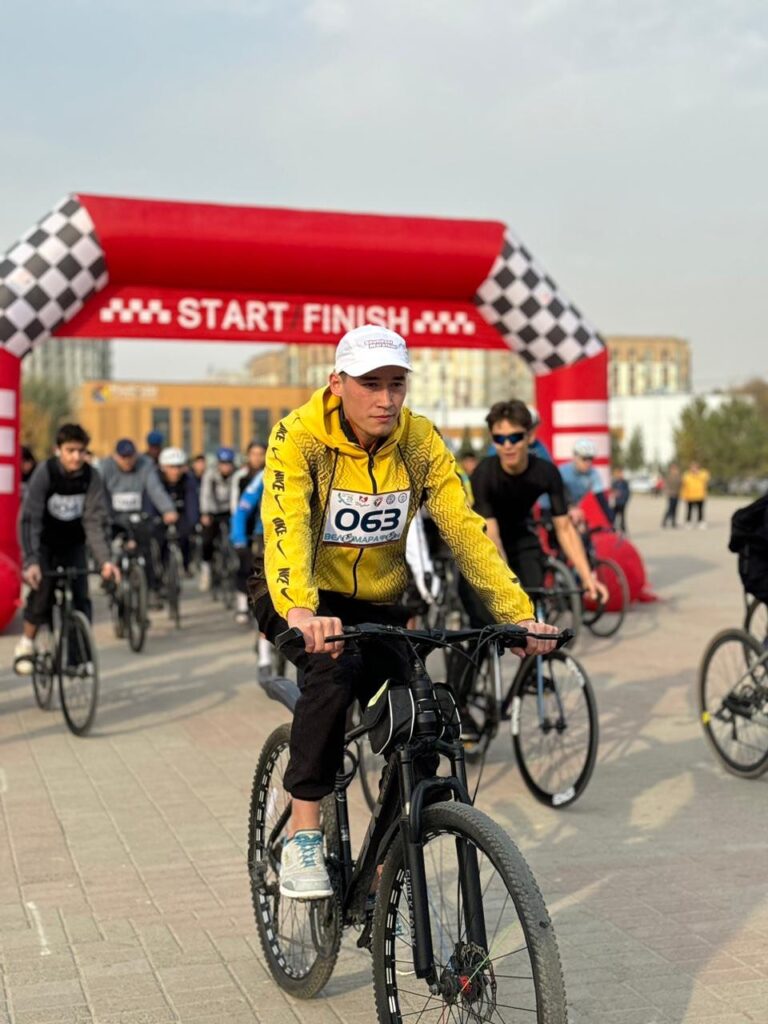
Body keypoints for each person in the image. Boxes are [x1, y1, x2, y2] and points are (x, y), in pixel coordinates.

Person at [250, 323, 558, 899]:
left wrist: (516, 614)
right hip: (297, 591)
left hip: (379, 598)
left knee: (424, 715)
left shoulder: (419, 441)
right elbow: (287, 527)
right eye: (371, 384)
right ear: (337, 383)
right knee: (332, 673)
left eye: (397, 383)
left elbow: (464, 531)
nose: (386, 398)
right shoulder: (299, 436)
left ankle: (386, 863)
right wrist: (300, 610)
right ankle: (303, 835)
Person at [14, 424, 119, 674]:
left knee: (81, 597)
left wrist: (105, 561)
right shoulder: (45, 472)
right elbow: (30, 519)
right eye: (70, 450)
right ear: (58, 450)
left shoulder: (91, 477)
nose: (76, 457)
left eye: (81, 451)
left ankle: (78, 658)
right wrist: (31, 561)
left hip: (73, 543)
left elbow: (94, 521)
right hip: (45, 544)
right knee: (42, 592)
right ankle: (26, 643)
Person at [100, 439, 178, 605]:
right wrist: (104, 516)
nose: (127, 461)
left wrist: (167, 509)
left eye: (130, 457)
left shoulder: (145, 465)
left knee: (147, 550)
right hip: (113, 516)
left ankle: (150, 589)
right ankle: (111, 581)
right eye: (123, 457)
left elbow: (155, 489)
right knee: (112, 548)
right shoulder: (105, 468)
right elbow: (99, 494)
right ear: (116, 457)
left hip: (138, 515)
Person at [230, 441, 267, 624]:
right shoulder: (260, 476)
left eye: (261, 454)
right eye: (254, 454)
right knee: (250, 568)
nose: (257, 458)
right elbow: (240, 509)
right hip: (261, 532)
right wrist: (239, 538)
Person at [146, 447, 199, 571]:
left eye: (178, 467)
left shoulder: (188, 479)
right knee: (158, 538)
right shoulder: (155, 479)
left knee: (186, 535)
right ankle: (159, 567)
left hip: (181, 514)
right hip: (159, 515)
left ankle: (186, 564)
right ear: (163, 467)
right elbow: (149, 502)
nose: (175, 471)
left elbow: (192, 503)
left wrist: (193, 522)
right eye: (171, 467)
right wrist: (153, 519)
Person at [198, 446, 237, 592]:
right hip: (213, 511)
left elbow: (236, 494)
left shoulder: (236, 475)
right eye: (223, 463)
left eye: (228, 464)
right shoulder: (210, 475)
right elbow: (205, 494)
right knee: (207, 540)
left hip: (230, 511)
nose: (225, 467)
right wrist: (205, 513)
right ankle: (206, 569)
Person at [559, 439, 614, 523]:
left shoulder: (593, 473)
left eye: (590, 459)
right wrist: (570, 507)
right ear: (575, 457)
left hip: (574, 509)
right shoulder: (563, 472)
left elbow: (601, 499)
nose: (588, 463)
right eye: (584, 459)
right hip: (556, 506)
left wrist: (611, 520)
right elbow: (557, 495)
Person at [681, 461, 710, 529]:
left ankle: (701, 522)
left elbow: (706, 478)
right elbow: (684, 486)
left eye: (695, 467)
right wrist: (683, 495)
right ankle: (688, 522)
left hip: (700, 495)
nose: (694, 469)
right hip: (690, 496)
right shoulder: (687, 475)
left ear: (698, 467)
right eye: (692, 467)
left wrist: (698, 474)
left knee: (700, 510)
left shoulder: (703, 474)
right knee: (689, 510)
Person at [661, 462, 682, 528]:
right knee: (670, 508)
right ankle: (664, 521)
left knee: (675, 508)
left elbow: (681, 483)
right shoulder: (669, 476)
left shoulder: (678, 476)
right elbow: (666, 485)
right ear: (670, 469)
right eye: (673, 469)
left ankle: (673, 522)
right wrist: (667, 492)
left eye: (675, 468)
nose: (675, 470)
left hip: (677, 494)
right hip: (671, 494)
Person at [611, 467, 630, 533]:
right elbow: (612, 491)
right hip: (616, 503)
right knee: (613, 516)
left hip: (622, 502)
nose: (620, 475)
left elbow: (627, 492)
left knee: (622, 517)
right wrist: (614, 493)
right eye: (619, 473)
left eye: (621, 473)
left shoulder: (625, 483)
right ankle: (613, 528)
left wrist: (623, 496)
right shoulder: (615, 483)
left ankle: (623, 529)